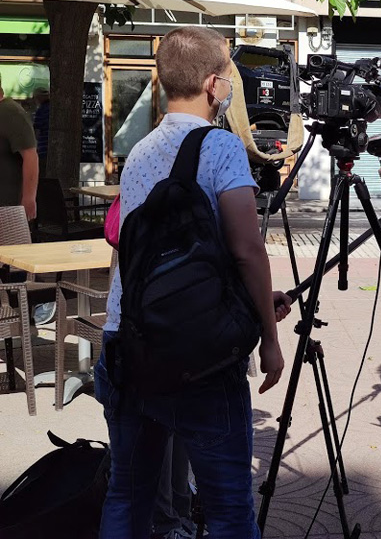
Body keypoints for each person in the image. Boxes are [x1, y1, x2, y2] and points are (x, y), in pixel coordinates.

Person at [95, 26, 291, 539]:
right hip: (199, 356)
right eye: (228, 78)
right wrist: (269, 338)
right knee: (229, 511)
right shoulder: (222, 147)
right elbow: (247, 249)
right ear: (212, 84)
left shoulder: (139, 151)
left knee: (128, 495)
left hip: (128, 339)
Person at [0, 73, 38, 221]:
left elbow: (30, 156)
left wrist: (29, 198)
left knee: (12, 244)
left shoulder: (11, 112)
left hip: (7, 208)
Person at [32, 87, 50, 177]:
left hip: (43, 150)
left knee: (42, 177)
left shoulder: (41, 111)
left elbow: (36, 132)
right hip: (53, 150)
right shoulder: (54, 109)